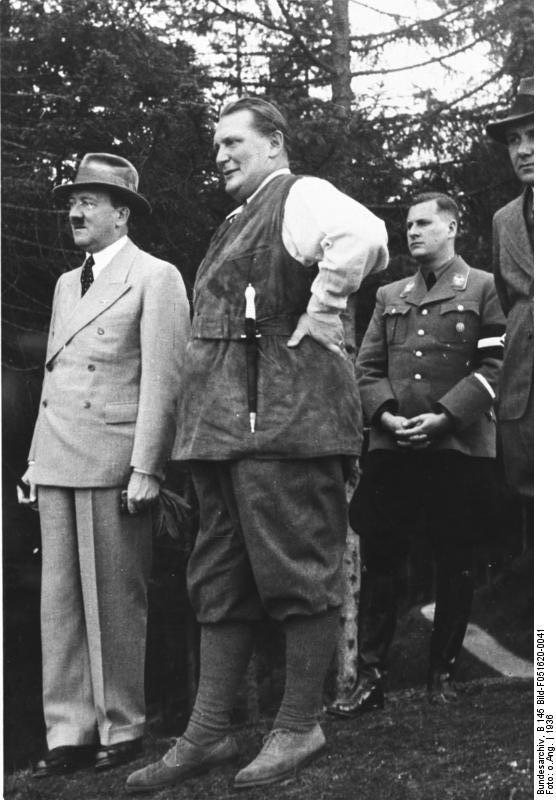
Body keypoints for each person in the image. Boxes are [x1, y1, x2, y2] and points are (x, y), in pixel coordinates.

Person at [126, 97, 388, 793]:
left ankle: (300, 724)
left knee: (299, 573)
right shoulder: (236, 220)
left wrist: (325, 306)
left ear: (275, 143)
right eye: (215, 145)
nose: (219, 155)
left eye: (233, 141)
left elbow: (364, 236)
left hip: (286, 428)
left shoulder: (300, 195)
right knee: (217, 582)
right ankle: (208, 733)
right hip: (223, 438)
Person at [19, 153, 190, 776]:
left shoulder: (157, 276)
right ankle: (69, 732)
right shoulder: (70, 283)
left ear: (122, 213)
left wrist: (148, 466)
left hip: (115, 461)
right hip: (59, 456)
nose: (76, 210)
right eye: (73, 200)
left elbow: (165, 381)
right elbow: (53, 378)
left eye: (91, 200)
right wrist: (35, 461)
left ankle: (124, 725)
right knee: (58, 604)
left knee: (115, 601)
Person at [327, 192, 505, 717]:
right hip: (394, 447)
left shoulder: (484, 288)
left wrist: (446, 417)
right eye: (408, 224)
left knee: (455, 558)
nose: (413, 231)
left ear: (453, 227)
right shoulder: (388, 296)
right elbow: (366, 368)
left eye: (425, 223)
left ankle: (441, 673)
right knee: (382, 557)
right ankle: (372, 679)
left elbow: (495, 368)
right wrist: (384, 416)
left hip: (456, 447)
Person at [486, 77, 533, 501]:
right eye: (514, 139)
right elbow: (510, 304)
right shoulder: (505, 220)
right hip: (524, 403)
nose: (524, 149)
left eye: (537, 135)